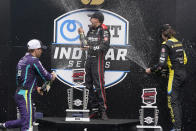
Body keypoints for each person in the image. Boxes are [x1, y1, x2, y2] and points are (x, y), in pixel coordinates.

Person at [0, 39, 56, 131]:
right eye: (40, 49)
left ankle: (4, 126)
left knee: (28, 120)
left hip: (21, 93)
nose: (41, 51)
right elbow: (47, 77)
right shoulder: (34, 60)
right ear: (36, 50)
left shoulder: (22, 60)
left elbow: (23, 80)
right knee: (28, 124)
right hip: (25, 95)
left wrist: (36, 88)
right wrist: (52, 76)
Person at [145, 24, 187, 131]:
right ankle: (178, 127)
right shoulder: (178, 42)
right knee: (177, 102)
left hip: (174, 75)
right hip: (183, 74)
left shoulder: (166, 44)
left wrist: (151, 70)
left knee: (172, 102)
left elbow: (161, 65)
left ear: (163, 34)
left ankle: (177, 128)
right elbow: (185, 60)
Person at [78, 11, 110, 119]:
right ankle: (95, 109)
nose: (90, 19)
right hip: (89, 59)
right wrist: (81, 35)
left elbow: (105, 46)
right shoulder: (91, 29)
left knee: (99, 84)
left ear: (97, 19)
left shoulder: (104, 29)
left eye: (91, 18)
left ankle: (103, 110)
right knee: (88, 84)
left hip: (98, 59)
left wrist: (91, 48)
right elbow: (84, 46)